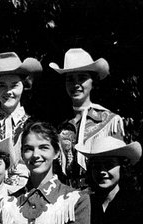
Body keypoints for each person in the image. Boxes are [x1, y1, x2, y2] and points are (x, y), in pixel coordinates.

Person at [49, 48, 125, 187]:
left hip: (96, 195)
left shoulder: (109, 120)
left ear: (93, 81)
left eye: (82, 78)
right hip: (66, 196)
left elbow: (116, 165)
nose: (76, 84)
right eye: (70, 79)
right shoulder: (61, 125)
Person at [0, 52, 42, 188]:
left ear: (24, 86)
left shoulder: (36, 127)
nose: (8, 92)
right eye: (2, 85)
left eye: (14, 85)